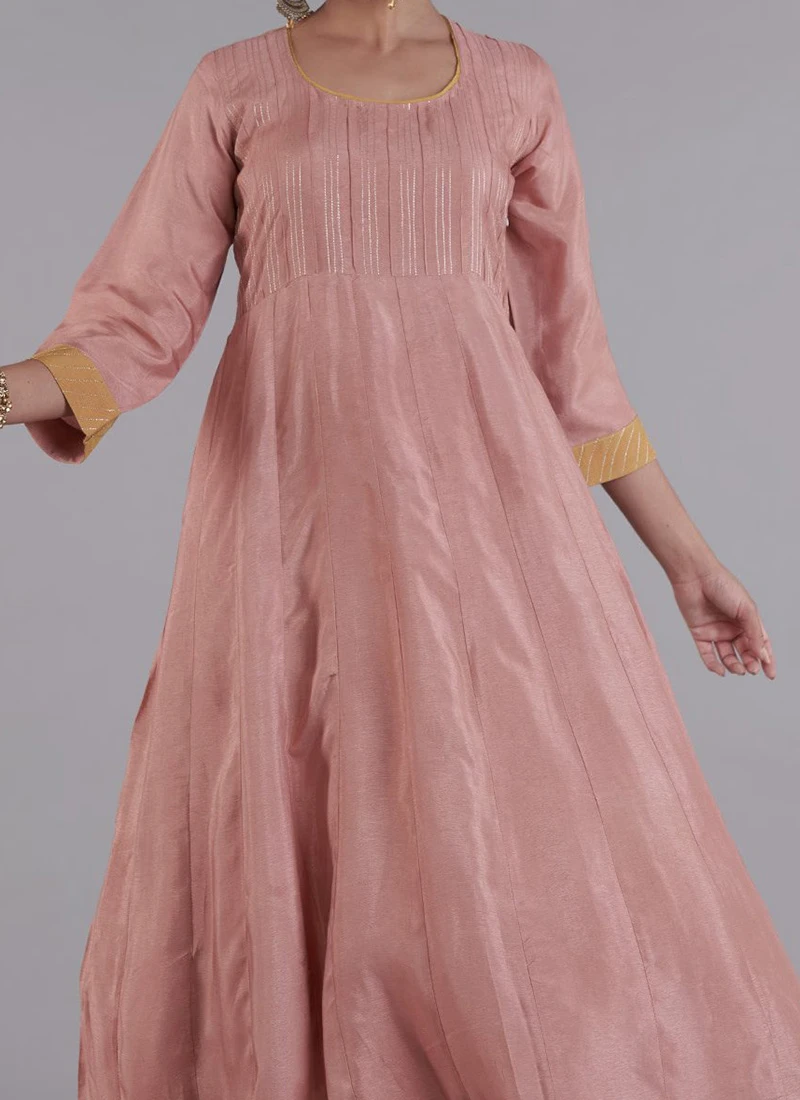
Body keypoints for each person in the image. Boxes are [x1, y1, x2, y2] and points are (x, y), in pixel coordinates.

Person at [2, 0, 798, 1096]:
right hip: (288, 521)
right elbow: (131, 321)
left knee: (514, 844)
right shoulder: (234, 85)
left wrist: (691, 565)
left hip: (492, 530)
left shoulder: (517, 86)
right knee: (303, 804)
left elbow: (572, 366)